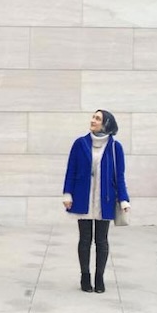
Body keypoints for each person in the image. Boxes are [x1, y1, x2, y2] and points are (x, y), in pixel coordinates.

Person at [62, 109, 130, 294]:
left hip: (105, 199)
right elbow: (71, 170)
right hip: (83, 198)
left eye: (98, 118)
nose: (93, 120)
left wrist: (124, 199)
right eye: (93, 117)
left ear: (106, 123)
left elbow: (119, 176)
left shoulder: (116, 148)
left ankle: (99, 277)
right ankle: (85, 276)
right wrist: (67, 194)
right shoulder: (80, 143)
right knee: (84, 239)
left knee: (101, 240)